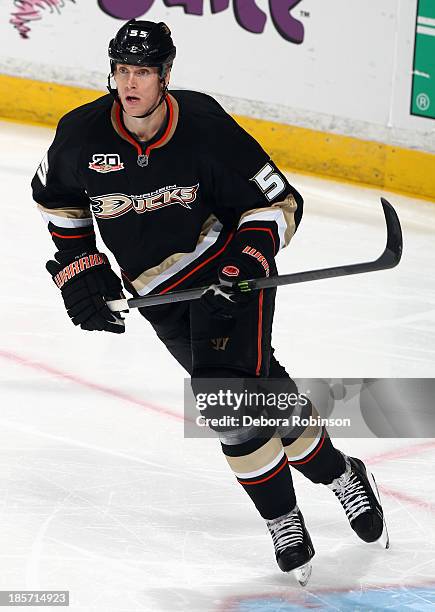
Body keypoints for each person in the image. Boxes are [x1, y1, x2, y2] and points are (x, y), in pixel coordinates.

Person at [32, 19, 388, 582]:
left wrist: (243, 264)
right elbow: (56, 199)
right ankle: (341, 472)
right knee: (263, 392)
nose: (131, 83)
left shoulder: (203, 126)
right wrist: (83, 269)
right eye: (123, 69)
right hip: (158, 296)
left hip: (226, 280)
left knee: (224, 401)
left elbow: (276, 203)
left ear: (165, 76)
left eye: (144, 72)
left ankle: (284, 518)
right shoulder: (80, 136)